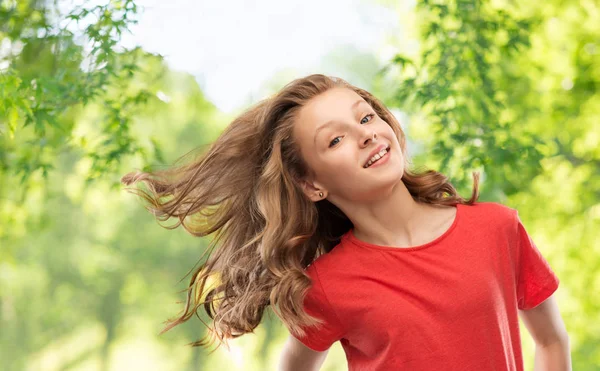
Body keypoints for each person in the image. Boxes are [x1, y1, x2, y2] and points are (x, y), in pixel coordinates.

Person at [121, 74, 570, 370]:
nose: (365, 134)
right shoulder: (328, 287)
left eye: (366, 117)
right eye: (335, 139)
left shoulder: (496, 228)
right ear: (311, 183)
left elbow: (551, 343)